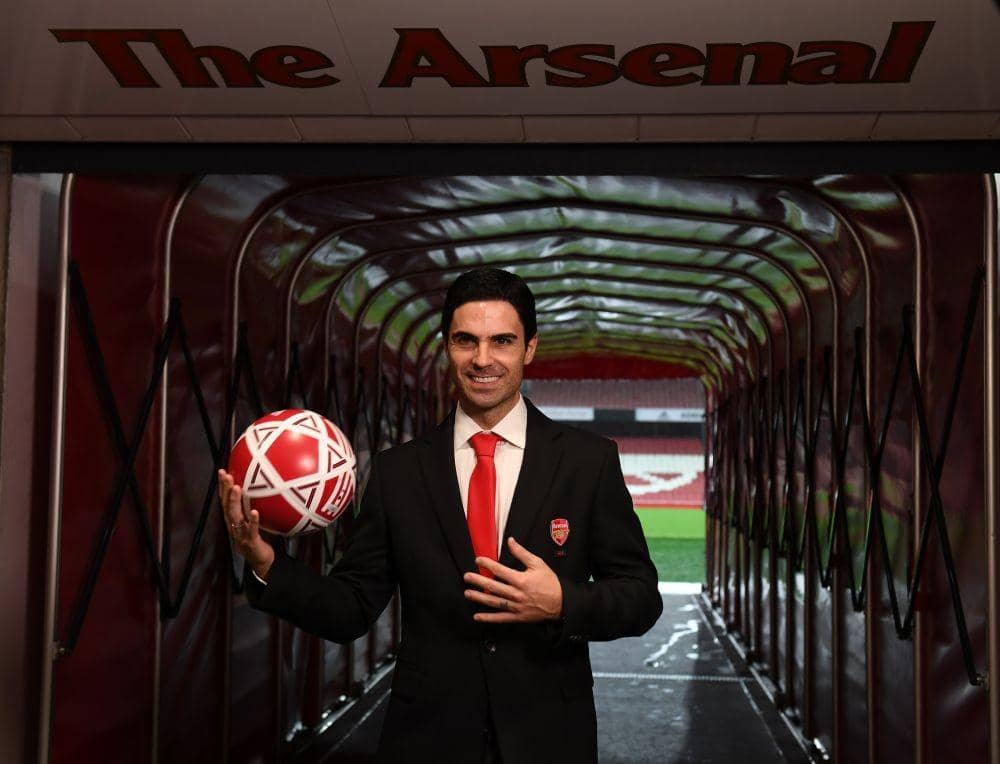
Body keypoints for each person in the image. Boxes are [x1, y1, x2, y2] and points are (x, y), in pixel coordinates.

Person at [219, 267, 662, 763]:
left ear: (530, 348)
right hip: (426, 740)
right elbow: (350, 609)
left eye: (503, 341)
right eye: (465, 341)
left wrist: (562, 602)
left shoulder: (588, 461)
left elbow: (642, 598)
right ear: (447, 347)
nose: (483, 359)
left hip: (549, 738)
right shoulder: (398, 472)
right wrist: (264, 561)